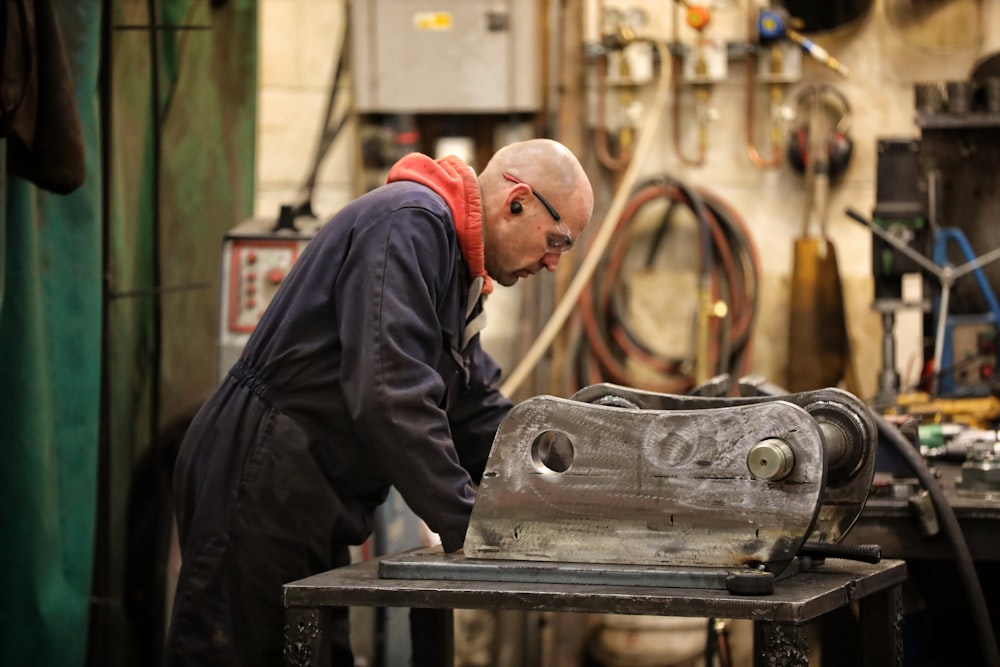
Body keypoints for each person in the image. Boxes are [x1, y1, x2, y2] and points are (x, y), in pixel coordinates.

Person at [164, 138, 595, 666]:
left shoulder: (457, 269)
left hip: (306, 489)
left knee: (312, 652)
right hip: (258, 479)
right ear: (518, 201)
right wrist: (470, 526)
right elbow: (391, 395)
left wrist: (567, 479)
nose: (553, 262)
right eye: (558, 240)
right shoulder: (409, 225)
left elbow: (472, 409)